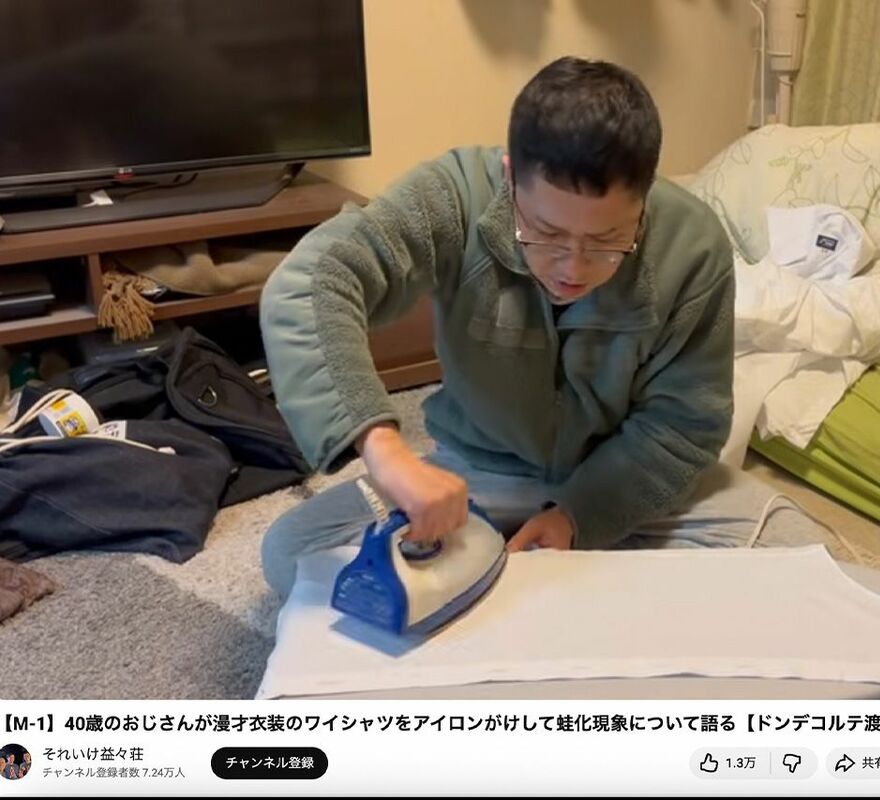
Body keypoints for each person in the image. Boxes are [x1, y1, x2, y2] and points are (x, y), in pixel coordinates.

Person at [259, 56, 829, 595]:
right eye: (547, 233)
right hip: (479, 472)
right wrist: (384, 450)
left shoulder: (694, 243)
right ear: (511, 178)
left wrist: (579, 518)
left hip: (622, 478)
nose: (572, 269)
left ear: (645, 195)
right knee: (294, 554)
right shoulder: (454, 196)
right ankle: (582, 586)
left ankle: (536, 581)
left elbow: (683, 427)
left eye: (608, 240)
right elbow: (313, 282)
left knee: (805, 555)